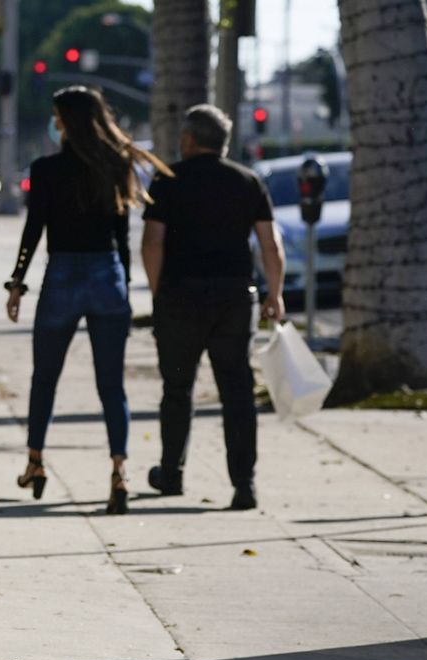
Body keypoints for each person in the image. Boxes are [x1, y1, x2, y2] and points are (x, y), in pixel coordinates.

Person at [5, 85, 171, 514]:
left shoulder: (45, 169)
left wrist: (17, 282)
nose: (54, 121)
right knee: (111, 384)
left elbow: (33, 230)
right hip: (106, 275)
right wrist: (124, 283)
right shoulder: (114, 164)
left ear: (65, 120)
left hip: (62, 275)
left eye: (57, 115)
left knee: (45, 377)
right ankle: (119, 472)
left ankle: (36, 462)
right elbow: (121, 236)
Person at [140, 104, 285, 511]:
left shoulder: (167, 181)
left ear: (188, 140)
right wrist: (275, 294)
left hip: (180, 297)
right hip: (234, 299)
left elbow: (152, 242)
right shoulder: (248, 181)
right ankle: (244, 484)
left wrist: (158, 292)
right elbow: (270, 245)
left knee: (177, 389)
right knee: (236, 391)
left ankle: (171, 474)